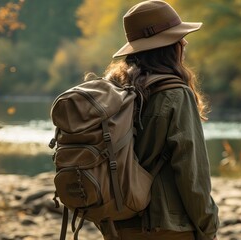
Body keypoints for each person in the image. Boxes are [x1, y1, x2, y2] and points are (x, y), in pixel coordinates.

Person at [93, 1, 219, 239]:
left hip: (118, 224)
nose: (184, 42)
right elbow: (191, 174)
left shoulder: (115, 90)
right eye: (179, 38)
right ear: (170, 47)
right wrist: (208, 226)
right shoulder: (175, 94)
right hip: (168, 226)